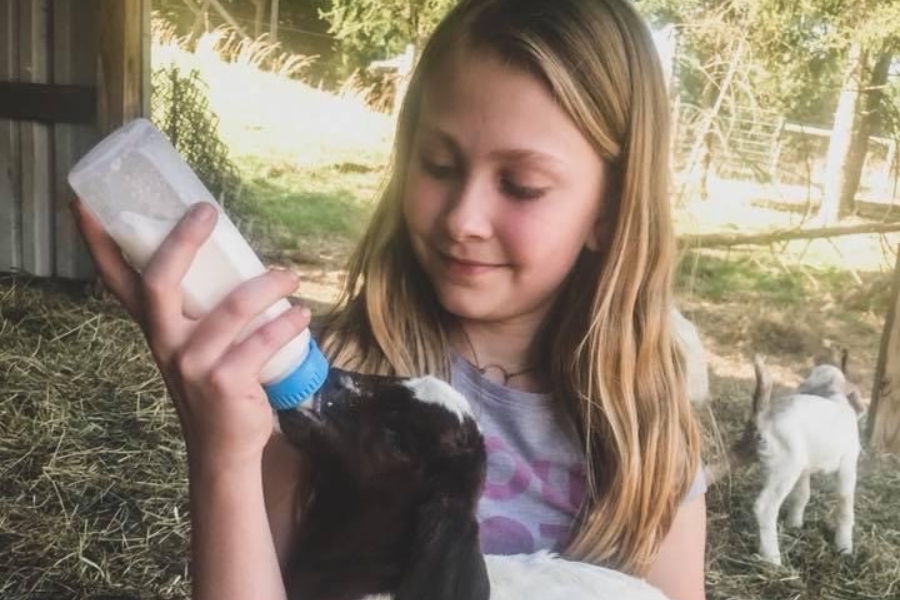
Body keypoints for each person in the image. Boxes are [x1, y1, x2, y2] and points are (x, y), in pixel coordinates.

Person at [72, 0, 706, 598]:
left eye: (521, 185)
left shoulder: (645, 431)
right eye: (438, 165)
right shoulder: (338, 388)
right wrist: (221, 451)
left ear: (610, 208)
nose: (464, 218)